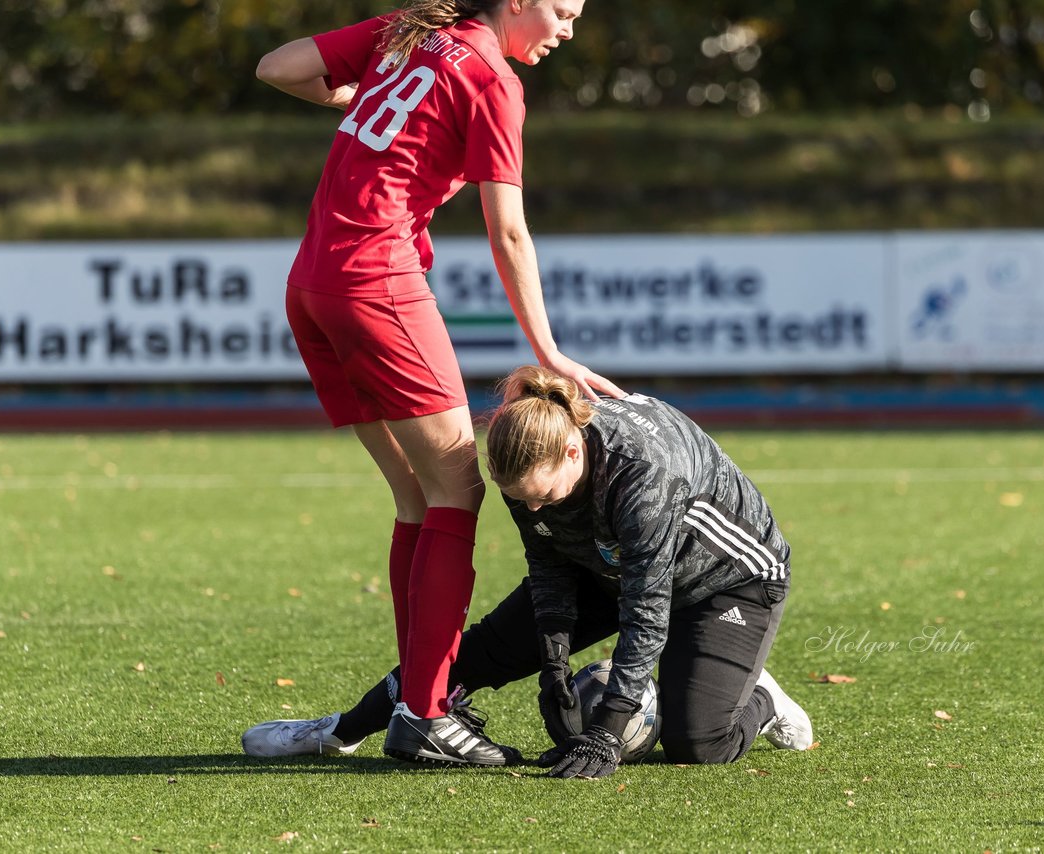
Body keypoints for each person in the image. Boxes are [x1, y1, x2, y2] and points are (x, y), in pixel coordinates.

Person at [254, 0, 621, 767]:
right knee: (460, 489)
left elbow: (278, 68)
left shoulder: (409, 32)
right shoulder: (490, 77)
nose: (567, 30)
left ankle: (420, 701)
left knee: (418, 498)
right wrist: (547, 349)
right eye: (560, 10)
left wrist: (375, 99)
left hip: (311, 283)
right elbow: (508, 229)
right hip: (376, 282)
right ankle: (425, 711)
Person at [243, 366, 813, 778]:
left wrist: (606, 733)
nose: (533, 508)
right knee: (478, 653)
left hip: (726, 582)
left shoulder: (643, 476)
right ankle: (341, 729)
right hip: (604, 564)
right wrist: (555, 668)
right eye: (523, 501)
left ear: (573, 452)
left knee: (700, 742)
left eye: (543, 497)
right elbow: (548, 567)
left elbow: (647, 608)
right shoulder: (524, 471)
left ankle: (759, 699)